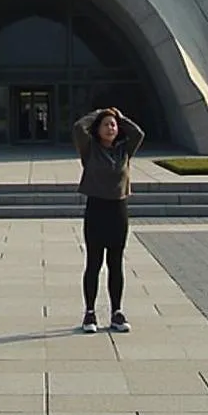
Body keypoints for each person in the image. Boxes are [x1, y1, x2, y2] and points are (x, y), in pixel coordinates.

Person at [72, 106, 145, 334]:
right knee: (94, 263)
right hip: (96, 209)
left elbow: (138, 134)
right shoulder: (90, 149)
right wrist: (99, 112)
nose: (110, 128)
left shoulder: (124, 150)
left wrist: (120, 117)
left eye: (113, 125)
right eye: (106, 124)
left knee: (115, 263)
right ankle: (90, 312)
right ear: (98, 129)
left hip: (118, 210)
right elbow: (78, 128)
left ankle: (116, 312)